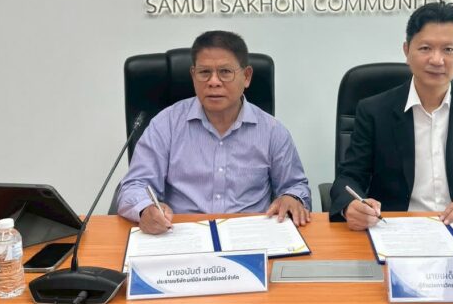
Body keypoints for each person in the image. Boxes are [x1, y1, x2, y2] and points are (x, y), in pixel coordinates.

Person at [329, 3, 453, 230]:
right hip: (395, 228)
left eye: (448, 49)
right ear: (407, 50)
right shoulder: (374, 111)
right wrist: (351, 206)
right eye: (425, 48)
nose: (437, 60)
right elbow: (348, 178)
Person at [117, 30, 311, 233]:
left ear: (246, 77)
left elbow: (296, 186)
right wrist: (145, 209)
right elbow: (135, 185)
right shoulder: (165, 125)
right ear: (193, 76)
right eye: (204, 72)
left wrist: (292, 198)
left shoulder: (272, 131)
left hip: (249, 236)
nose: (214, 81)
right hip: (180, 234)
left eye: (225, 72)